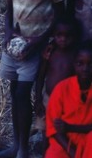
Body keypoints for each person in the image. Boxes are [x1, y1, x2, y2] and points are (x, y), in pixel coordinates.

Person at [0, 0, 67, 158]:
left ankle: (23, 153)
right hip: (14, 45)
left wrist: (38, 41)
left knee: (22, 93)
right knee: (13, 91)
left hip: (36, 47)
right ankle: (16, 143)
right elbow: (8, 9)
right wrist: (8, 34)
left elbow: (60, 14)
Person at [34, 16, 81, 151]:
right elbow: (41, 76)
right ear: (53, 35)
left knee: (61, 129)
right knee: (45, 129)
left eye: (68, 36)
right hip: (48, 98)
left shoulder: (76, 55)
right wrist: (37, 98)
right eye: (59, 35)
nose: (63, 39)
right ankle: (45, 154)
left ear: (75, 36)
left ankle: (59, 155)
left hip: (67, 101)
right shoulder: (50, 52)